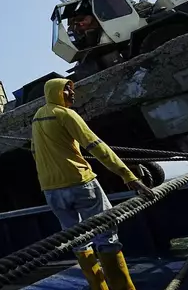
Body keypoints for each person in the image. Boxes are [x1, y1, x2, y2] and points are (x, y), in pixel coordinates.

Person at [31, 78, 155, 290]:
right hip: (80, 184)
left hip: (51, 191)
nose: (73, 94)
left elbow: (34, 151)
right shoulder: (66, 114)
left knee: (77, 240)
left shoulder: (36, 118)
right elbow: (97, 147)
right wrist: (129, 176)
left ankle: (98, 287)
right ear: (57, 92)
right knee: (106, 234)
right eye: (68, 90)